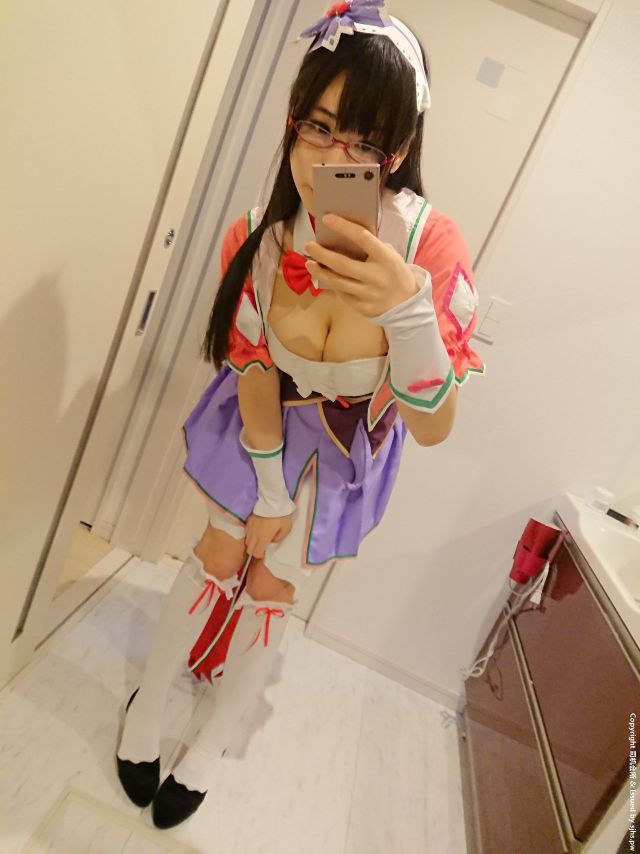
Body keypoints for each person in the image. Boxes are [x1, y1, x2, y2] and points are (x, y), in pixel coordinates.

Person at [116, 0, 485, 830]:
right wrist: (270, 491)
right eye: (318, 126)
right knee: (215, 555)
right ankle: (146, 713)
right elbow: (252, 367)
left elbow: (434, 426)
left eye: (366, 141)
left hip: (348, 448)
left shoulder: (429, 248)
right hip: (261, 424)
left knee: (273, 587)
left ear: (399, 150)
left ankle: (211, 745)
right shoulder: (259, 235)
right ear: (292, 120)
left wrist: (408, 313)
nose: (334, 158)